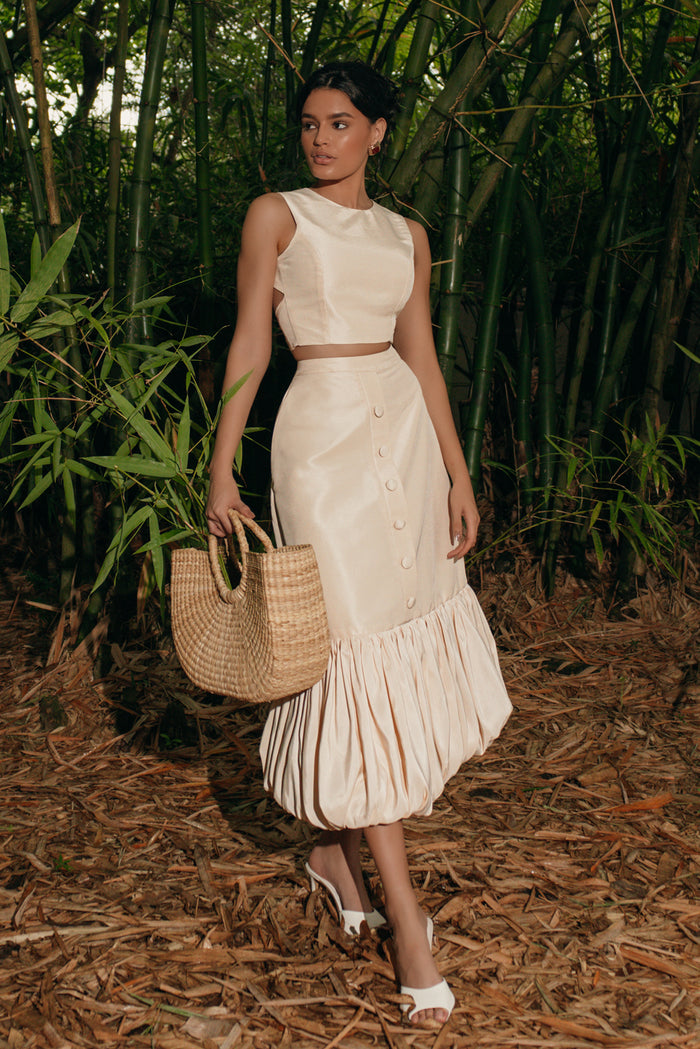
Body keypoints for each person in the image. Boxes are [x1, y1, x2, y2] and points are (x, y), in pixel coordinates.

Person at [206, 60, 511, 1027]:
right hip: (319, 442)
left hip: (404, 434)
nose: (320, 139)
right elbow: (251, 343)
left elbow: (421, 356)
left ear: (378, 132)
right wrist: (221, 467)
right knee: (350, 654)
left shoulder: (407, 234)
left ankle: (335, 855)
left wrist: (458, 474)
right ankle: (408, 923)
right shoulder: (276, 216)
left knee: (397, 633)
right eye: (309, 123)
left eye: (340, 123)